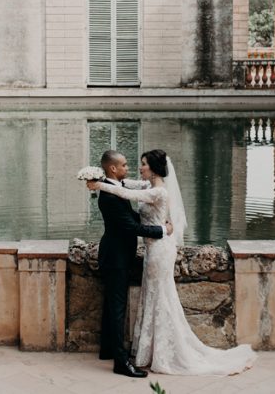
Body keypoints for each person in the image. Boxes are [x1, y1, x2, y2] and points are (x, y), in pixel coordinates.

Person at [88, 150, 257, 376]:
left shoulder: (157, 191)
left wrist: (99, 185)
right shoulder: (147, 187)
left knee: (157, 297)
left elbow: (127, 195)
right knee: (127, 303)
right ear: (113, 169)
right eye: (129, 165)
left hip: (158, 251)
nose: (137, 168)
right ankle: (120, 355)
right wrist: (100, 183)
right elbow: (129, 201)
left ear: (154, 169)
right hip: (130, 252)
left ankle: (153, 352)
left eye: (142, 164)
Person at [94, 150, 170, 378]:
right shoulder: (109, 195)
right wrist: (162, 230)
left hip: (116, 254)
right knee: (117, 310)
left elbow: (131, 218)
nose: (130, 169)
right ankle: (120, 362)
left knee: (111, 305)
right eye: (125, 165)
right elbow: (131, 227)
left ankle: (107, 349)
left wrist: (153, 221)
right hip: (116, 257)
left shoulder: (115, 188)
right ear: (113, 169)